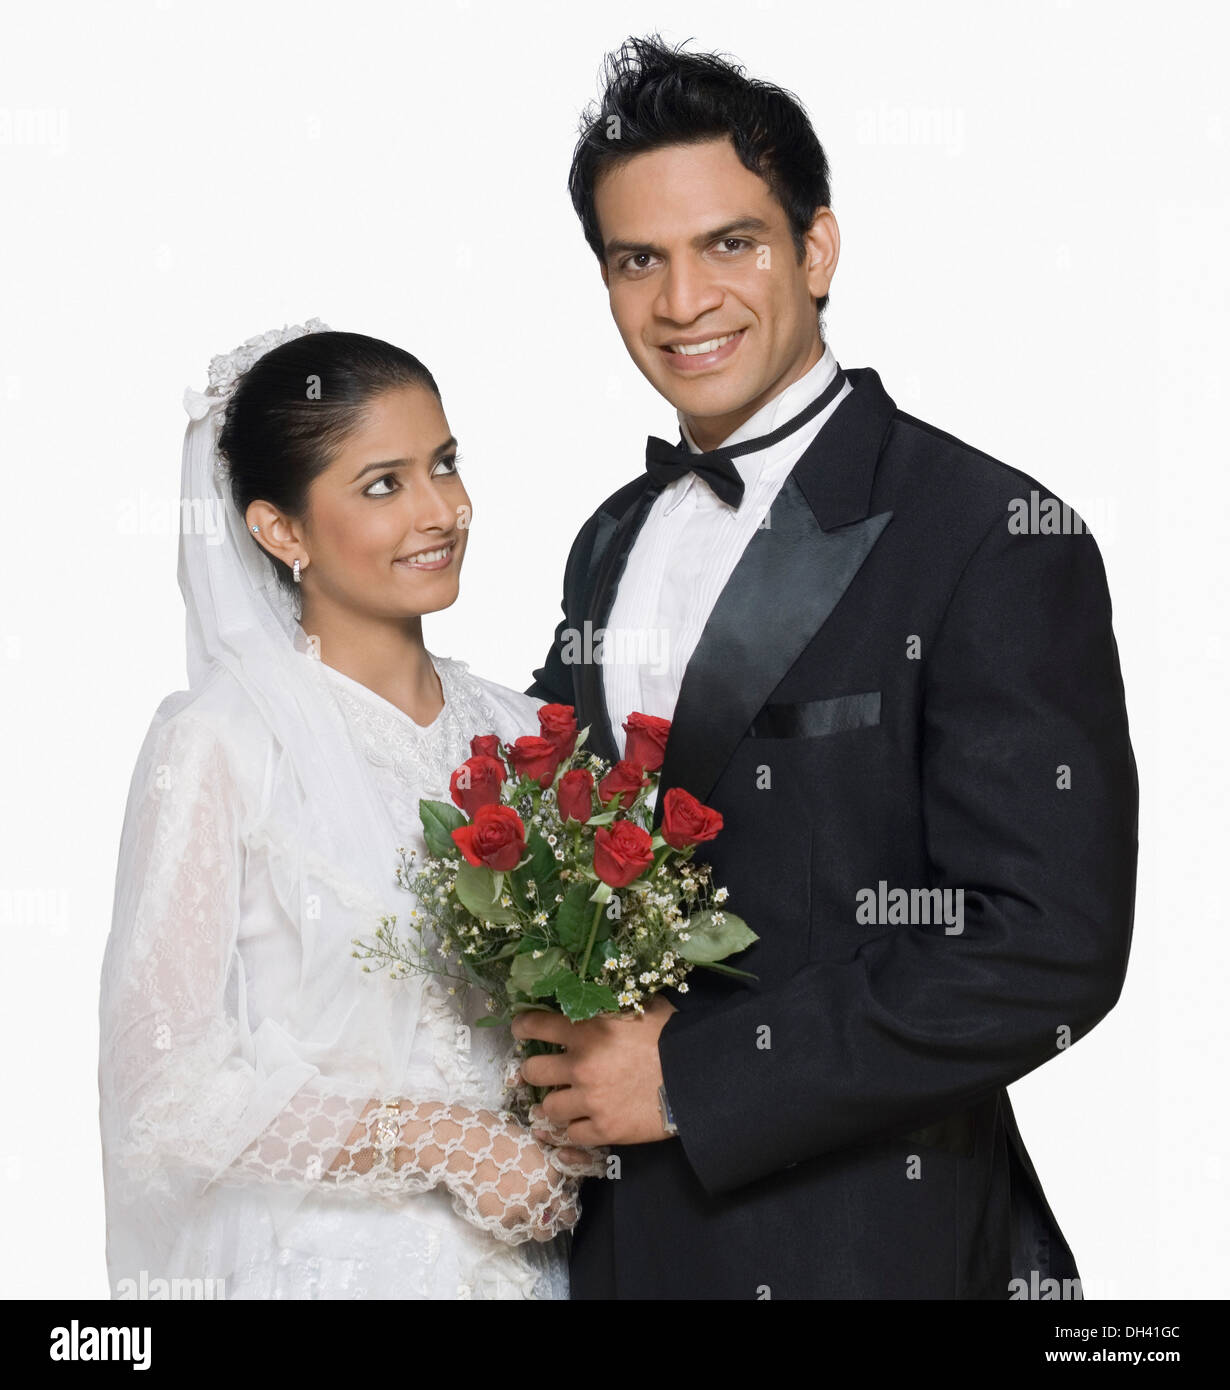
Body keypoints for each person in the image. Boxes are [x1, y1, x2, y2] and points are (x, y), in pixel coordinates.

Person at [518, 37, 1139, 1299]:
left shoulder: (991, 535)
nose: (683, 300)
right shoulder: (611, 534)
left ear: (818, 249)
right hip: (598, 1246)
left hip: (858, 1248)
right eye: (641, 259)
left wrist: (694, 1075)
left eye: (730, 244)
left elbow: (1048, 945)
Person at [98, 320, 599, 1300]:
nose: (442, 511)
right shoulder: (222, 743)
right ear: (280, 531)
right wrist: (437, 1140)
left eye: (444, 466)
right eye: (384, 484)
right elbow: (160, 1093)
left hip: (534, 1260)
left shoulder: (525, 731)